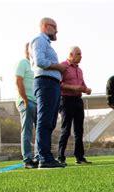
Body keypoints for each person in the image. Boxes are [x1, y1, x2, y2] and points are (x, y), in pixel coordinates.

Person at [29, 17, 68, 168]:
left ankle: (44, 155)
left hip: (51, 84)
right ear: (46, 26)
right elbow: (40, 61)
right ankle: (44, 158)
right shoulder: (39, 40)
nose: (56, 30)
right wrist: (58, 67)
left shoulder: (45, 43)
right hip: (45, 83)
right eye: (54, 27)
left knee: (50, 122)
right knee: (44, 121)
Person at [57, 46, 92, 165]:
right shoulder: (62, 66)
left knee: (79, 130)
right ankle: (60, 157)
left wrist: (86, 89)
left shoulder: (80, 70)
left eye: (81, 54)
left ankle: (79, 157)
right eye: (78, 54)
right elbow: (59, 84)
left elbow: (82, 84)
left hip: (78, 100)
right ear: (71, 55)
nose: (80, 56)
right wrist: (74, 88)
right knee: (65, 129)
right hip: (66, 100)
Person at [15, 43, 38, 169]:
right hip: (27, 101)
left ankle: (38, 157)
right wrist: (25, 99)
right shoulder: (23, 63)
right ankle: (27, 159)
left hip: (37, 102)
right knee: (27, 130)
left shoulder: (36, 67)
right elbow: (18, 81)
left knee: (39, 131)